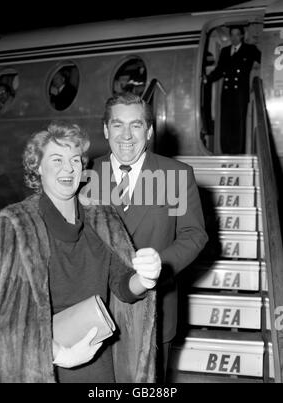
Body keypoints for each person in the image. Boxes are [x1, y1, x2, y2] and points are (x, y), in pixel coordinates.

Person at [0, 121, 160, 383]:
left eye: (75, 160)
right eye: (57, 160)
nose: (68, 168)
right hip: (41, 365)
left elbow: (122, 286)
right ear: (37, 168)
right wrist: (57, 353)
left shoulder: (102, 218)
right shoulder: (15, 224)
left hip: (98, 358)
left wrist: (145, 279)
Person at [84, 94, 208, 381]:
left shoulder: (176, 175)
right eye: (117, 125)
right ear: (105, 130)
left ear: (149, 131)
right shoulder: (85, 174)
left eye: (136, 125)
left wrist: (156, 268)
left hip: (154, 309)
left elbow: (193, 235)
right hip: (96, 310)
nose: (126, 135)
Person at [205, 26, 261, 154]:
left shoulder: (250, 49)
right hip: (226, 92)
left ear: (242, 36)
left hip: (240, 92)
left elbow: (265, 59)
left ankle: (237, 151)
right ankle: (226, 150)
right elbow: (219, 70)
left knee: (238, 123)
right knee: (225, 122)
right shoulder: (225, 51)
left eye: (237, 35)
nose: (234, 38)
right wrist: (207, 79)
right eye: (232, 35)